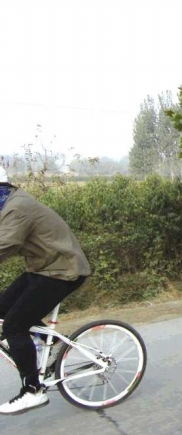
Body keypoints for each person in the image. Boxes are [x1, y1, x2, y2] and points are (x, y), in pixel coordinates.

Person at [0, 169, 91, 414]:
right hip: (44, 269)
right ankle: (51, 344)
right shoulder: (7, 203)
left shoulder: (17, 207)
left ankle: (33, 391)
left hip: (63, 271)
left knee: (14, 326)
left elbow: (6, 243)